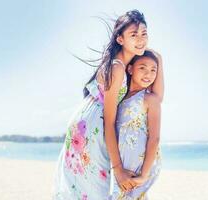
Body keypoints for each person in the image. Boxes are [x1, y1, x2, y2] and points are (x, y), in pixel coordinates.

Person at [53, 9, 164, 200]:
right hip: (93, 126)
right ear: (120, 39)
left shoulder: (126, 65)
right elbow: (109, 122)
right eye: (133, 34)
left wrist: (159, 59)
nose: (140, 39)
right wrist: (118, 169)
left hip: (89, 122)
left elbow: (157, 96)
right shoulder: (118, 68)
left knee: (91, 190)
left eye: (144, 34)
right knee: (95, 190)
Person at [110, 50, 162, 200]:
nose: (148, 74)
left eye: (153, 70)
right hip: (122, 163)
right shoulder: (120, 97)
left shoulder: (149, 99)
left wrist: (144, 175)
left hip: (141, 166)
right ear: (130, 69)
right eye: (142, 68)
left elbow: (155, 138)